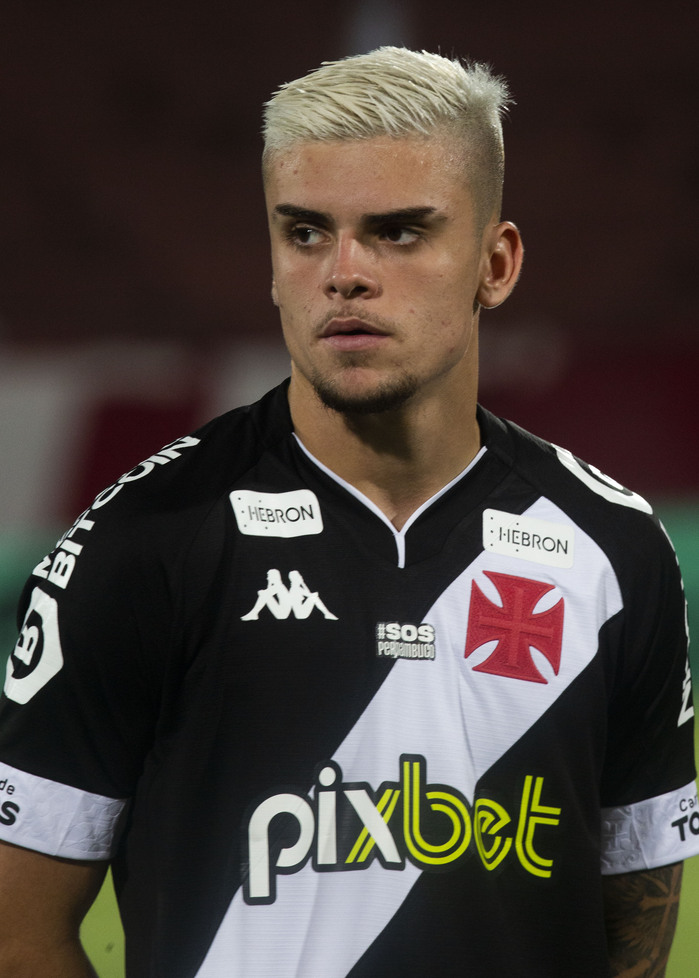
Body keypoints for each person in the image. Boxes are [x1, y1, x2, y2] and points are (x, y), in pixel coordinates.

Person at [0, 46, 696, 978]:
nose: (344, 274)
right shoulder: (141, 542)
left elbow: (633, 934)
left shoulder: (614, 552)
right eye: (304, 232)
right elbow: (17, 936)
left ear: (495, 264)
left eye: (398, 233)